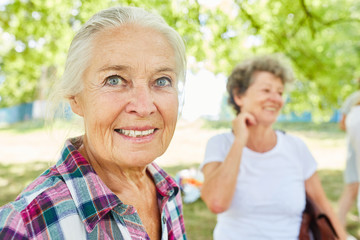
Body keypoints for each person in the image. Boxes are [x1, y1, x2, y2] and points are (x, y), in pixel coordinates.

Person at [0, 6, 187, 240]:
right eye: (114, 79)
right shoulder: (24, 227)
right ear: (75, 99)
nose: (144, 106)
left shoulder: (167, 192)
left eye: (161, 80)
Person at [200, 55, 347, 239]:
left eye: (279, 92)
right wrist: (240, 140)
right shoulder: (220, 144)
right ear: (239, 96)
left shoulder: (296, 147)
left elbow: (323, 205)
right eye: (266, 90)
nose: (275, 98)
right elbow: (216, 203)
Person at [337, 79, 360, 227]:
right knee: (352, 187)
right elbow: (342, 123)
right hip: (355, 150)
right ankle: (337, 228)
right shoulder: (354, 99)